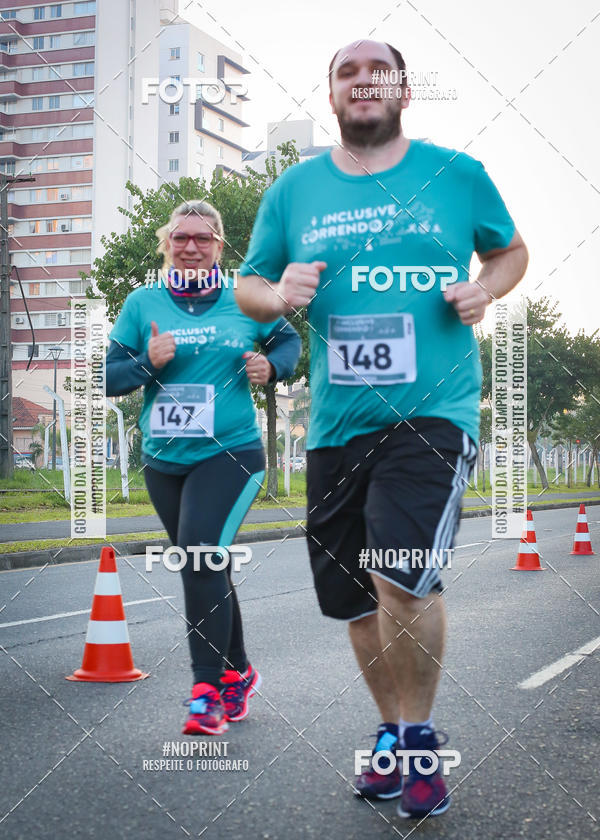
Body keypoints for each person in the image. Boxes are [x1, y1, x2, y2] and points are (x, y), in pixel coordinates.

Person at [234, 41, 528, 818]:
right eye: (345, 72)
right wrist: (278, 294)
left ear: (401, 90)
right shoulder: (294, 191)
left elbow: (510, 250)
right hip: (335, 427)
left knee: (400, 573)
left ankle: (423, 739)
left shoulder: (456, 175)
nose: (362, 80)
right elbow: (248, 286)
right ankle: (393, 734)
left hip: (433, 414)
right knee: (358, 602)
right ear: (332, 97)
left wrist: (484, 289)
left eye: (377, 70)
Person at [106, 199, 301, 735]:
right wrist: (148, 363)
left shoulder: (245, 299)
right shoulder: (142, 302)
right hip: (164, 461)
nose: (191, 247)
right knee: (205, 563)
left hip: (232, 452)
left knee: (197, 556)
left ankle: (206, 691)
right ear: (167, 244)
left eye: (204, 238)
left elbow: (289, 341)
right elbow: (108, 377)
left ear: (220, 246)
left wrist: (271, 365)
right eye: (181, 238)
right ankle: (239, 671)